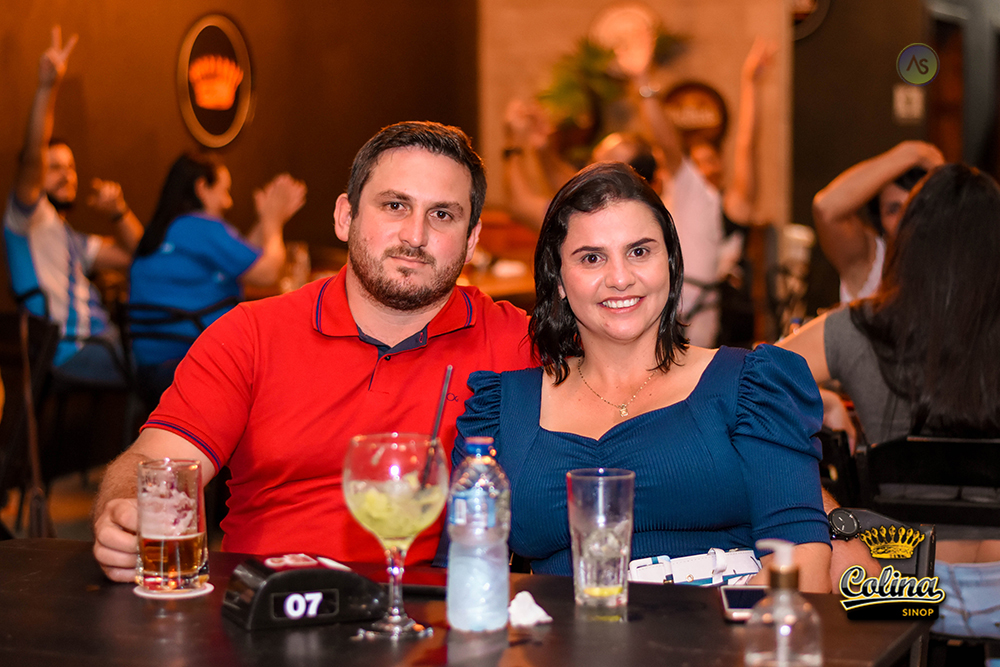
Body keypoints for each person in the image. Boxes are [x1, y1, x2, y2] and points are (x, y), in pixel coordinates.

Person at [91, 121, 534, 582]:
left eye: (442, 214)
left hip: (433, 612)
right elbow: (152, 461)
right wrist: (124, 514)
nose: (415, 235)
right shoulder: (250, 334)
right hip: (269, 606)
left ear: (472, 238)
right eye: (395, 205)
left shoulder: (516, 341)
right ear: (345, 217)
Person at [455, 162, 832, 592]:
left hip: (729, 625)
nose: (620, 278)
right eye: (592, 258)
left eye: (639, 252)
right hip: (561, 630)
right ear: (558, 279)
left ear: (669, 262)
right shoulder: (499, 412)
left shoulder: (750, 387)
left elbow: (801, 561)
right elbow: (462, 572)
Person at [779, 163, 1000, 563]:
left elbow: (743, 380)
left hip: (898, 575)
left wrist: (821, 401)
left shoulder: (857, 329)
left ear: (908, 242)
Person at [4, 27, 143, 385]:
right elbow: (32, 156)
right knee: (175, 360)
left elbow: (139, 255)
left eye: (70, 167)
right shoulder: (26, 219)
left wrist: (119, 212)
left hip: (105, 342)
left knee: (172, 355)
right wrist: (47, 88)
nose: (66, 175)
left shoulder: (67, 236)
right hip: (78, 350)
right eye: (54, 168)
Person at [128, 152, 306, 397]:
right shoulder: (202, 228)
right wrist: (273, 224)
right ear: (202, 188)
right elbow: (266, 274)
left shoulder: (162, 229)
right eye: (224, 191)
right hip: (192, 367)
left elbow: (244, 259)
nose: (227, 202)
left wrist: (267, 218)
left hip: (147, 370)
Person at [812, 140, 943, 303]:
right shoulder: (869, 262)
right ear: (880, 219)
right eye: (893, 210)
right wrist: (915, 153)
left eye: (916, 205)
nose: (906, 216)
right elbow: (825, 208)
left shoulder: (954, 262)